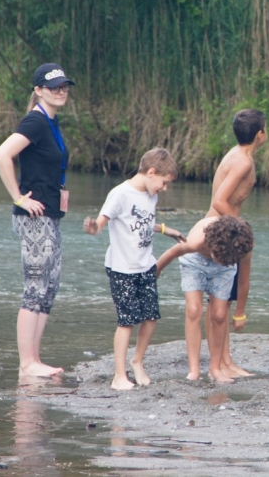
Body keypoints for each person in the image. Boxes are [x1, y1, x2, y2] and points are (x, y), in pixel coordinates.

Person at [158, 109, 267, 380]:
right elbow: (219, 201)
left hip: (224, 227)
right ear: (259, 135)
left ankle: (225, 361)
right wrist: (237, 228)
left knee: (221, 304)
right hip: (222, 231)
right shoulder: (242, 162)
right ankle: (219, 364)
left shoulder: (238, 154)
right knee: (219, 302)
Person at [0, 63, 74, 379]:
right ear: (38, 90)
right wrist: (18, 198)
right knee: (35, 286)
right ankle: (27, 363)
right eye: (54, 86)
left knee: (48, 287)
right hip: (34, 219)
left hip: (51, 216)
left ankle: (35, 360)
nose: (61, 91)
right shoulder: (37, 121)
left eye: (64, 86)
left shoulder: (51, 123)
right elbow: (2, 155)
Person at [83, 148, 184, 390]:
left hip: (145, 264)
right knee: (126, 321)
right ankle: (119, 375)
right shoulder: (119, 194)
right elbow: (100, 225)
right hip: (122, 267)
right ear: (151, 172)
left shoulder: (151, 195)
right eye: (164, 182)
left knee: (150, 317)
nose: (164, 188)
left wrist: (165, 229)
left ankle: (137, 360)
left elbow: (142, 222)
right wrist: (92, 227)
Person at [154, 215, 255, 382]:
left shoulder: (242, 248)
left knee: (220, 315)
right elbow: (171, 253)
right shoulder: (197, 241)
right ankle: (194, 370)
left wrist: (240, 313)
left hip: (225, 269)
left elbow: (243, 280)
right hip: (194, 262)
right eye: (215, 254)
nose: (215, 259)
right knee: (194, 310)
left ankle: (215, 369)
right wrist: (155, 273)